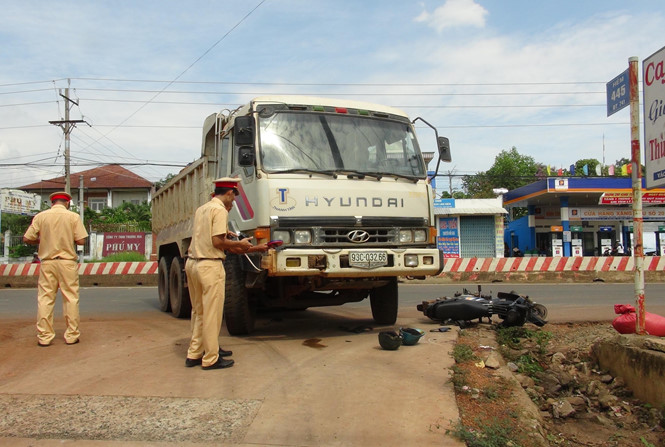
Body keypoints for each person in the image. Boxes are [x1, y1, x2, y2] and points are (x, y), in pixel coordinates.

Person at [185, 177, 268, 370]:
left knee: (199, 312)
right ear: (230, 193)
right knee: (212, 313)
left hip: (193, 263)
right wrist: (239, 243)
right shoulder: (220, 210)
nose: (234, 201)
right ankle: (211, 358)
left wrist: (250, 247)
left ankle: (195, 353)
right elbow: (218, 243)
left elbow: (211, 237)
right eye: (234, 197)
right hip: (210, 265)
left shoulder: (202, 209)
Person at [23, 191, 88, 347]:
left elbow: (27, 238)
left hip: (47, 262)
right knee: (70, 298)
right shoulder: (73, 217)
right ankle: (72, 335)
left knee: (45, 299)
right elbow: (80, 240)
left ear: (52, 202)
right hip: (67, 262)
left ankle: (44, 337)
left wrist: (42, 240)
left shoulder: (41, 217)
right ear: (66, 203)